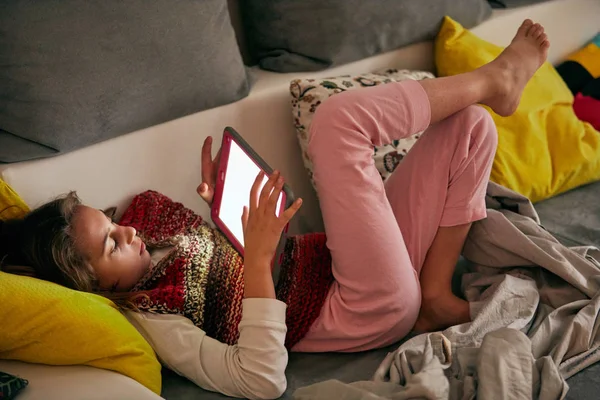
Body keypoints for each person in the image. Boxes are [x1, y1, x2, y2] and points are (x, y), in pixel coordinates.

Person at [0, 20, 549, 400]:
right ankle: (493, 80)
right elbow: (261, 381)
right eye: (112, 245)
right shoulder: (153, 315)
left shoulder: (147, 219)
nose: (129, 230)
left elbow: (218, 271)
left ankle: (434, 295)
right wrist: (260, 261)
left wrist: (222, 214)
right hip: (354, 306)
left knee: (470, 126)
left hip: (336, 260)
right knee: (337, 125)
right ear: (91, 286)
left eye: (112, 222)